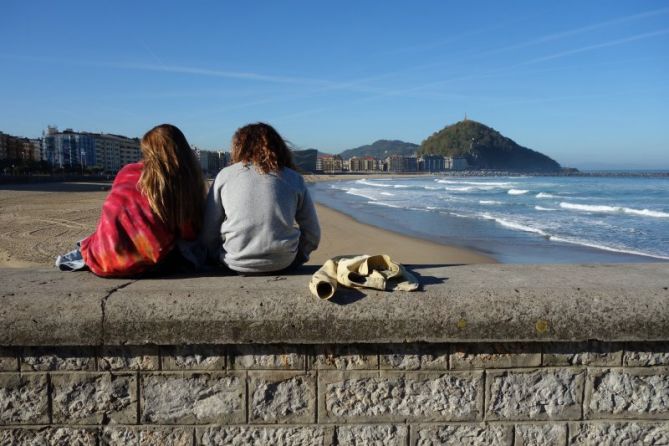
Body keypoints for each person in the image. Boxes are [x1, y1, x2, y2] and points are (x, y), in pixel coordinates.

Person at [55, 124, 206, 277]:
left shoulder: (127, 171)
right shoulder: (178, 182)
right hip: (141, 262)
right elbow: (188, 233)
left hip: (101, 258)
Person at [200, 122, 320, 273]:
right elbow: (313, 233)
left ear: (238, 147)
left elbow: (209, 233)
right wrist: (298, 257)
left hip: (234, 263)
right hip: (283, 262)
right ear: (278, 147)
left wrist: (217, 257)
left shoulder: (225, 176)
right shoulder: (293, 178)